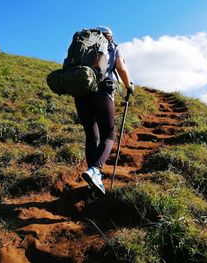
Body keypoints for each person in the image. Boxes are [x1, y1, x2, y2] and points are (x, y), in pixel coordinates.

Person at [77, 26, 134, 195]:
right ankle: (95, 170)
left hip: (80, 93)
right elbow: (121, 69)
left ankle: (92, 176)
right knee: (108, 135)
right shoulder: (112, 47)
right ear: (109, 36)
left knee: (91, 136)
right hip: (102, 93)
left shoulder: (83, 46)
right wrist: (128, 85)